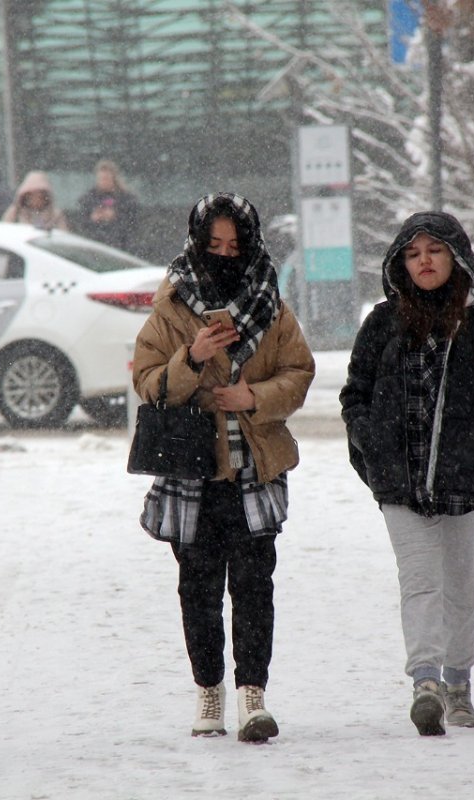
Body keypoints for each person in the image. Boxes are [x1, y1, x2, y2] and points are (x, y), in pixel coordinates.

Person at [339, 211, 474, 737]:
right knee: (419, 582)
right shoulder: (383, 323)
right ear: (400, 264)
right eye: (413, 253)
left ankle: (459, 684)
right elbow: (355, 394)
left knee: (460, 586)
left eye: (434, 250)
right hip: (400, 484)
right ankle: (425, 683)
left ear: (456, 257)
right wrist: (372, 445)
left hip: (468, 485)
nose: (424, 261)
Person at [132, 193, 314, 743]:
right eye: (214, 245)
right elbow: (147, 383)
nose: (225, 255)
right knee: (199, 591)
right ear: (196, 244)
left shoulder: (271, 304)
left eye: (235, 246)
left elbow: (299, 372)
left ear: (251, 246)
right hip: (192, 473)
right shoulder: (170, 308)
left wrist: (253, 397)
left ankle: (252, 696)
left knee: (255, 589)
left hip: (255, 470)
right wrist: (191, 357)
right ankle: (209, 692)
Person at [76, 159, 140, 252]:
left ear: (114, 178)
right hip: (95, 245)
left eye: (106, 178)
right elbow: (82, 224)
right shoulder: (89, 198)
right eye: (101, 179)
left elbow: (133, 224)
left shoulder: (126, 198)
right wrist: (93, 218)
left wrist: (116, 216)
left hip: (121, 245)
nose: (103, 182)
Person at [1, 171, 70, 231]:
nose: (36, 199)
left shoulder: (55, 215)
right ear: (25, 196)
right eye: (31, 196)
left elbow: (63, 236)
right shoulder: (15, 213)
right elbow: (5, 232)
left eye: (40, 196)